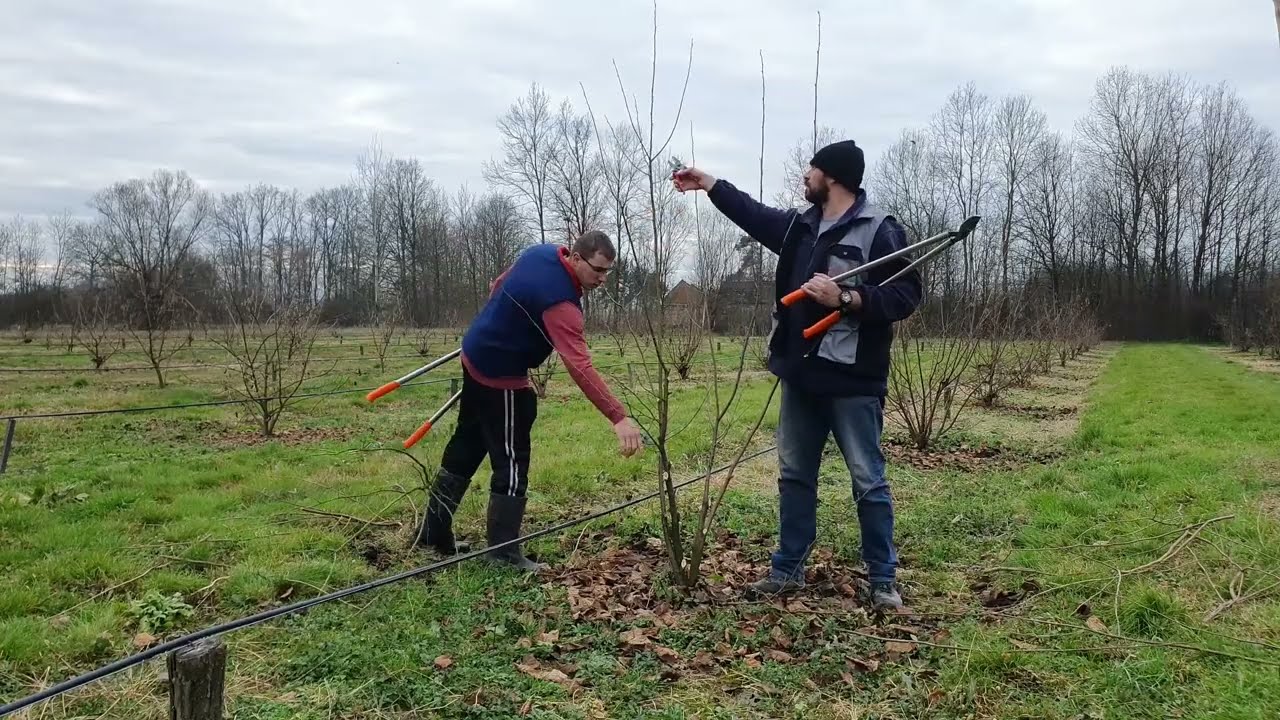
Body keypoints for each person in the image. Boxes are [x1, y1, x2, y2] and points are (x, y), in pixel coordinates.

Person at [672, 139, 923, 610]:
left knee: (868, 480)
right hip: (802, 378)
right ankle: (788, 570)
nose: (805, 176)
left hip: (853, 382)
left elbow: (906, 296)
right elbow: (752, 213)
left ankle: (883, 580)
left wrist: (846, 300)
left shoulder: (880, 230)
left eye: (811, 169)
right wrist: (708, 183)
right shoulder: (799, 227)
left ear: (831, 176)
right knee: (794, 477)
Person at [416, 230, 645, 571]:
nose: (603, 280)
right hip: (499, 374)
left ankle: (432, 535)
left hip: (474, 352)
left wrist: (503, 324)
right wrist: (618, 417)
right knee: (511, 458)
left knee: (467, 441)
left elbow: (497, 284)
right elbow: (579, 366)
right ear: (577, 259)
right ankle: (503, 555)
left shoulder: (542, 253)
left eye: (608, 272)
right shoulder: (560, 304)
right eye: (597, 271)